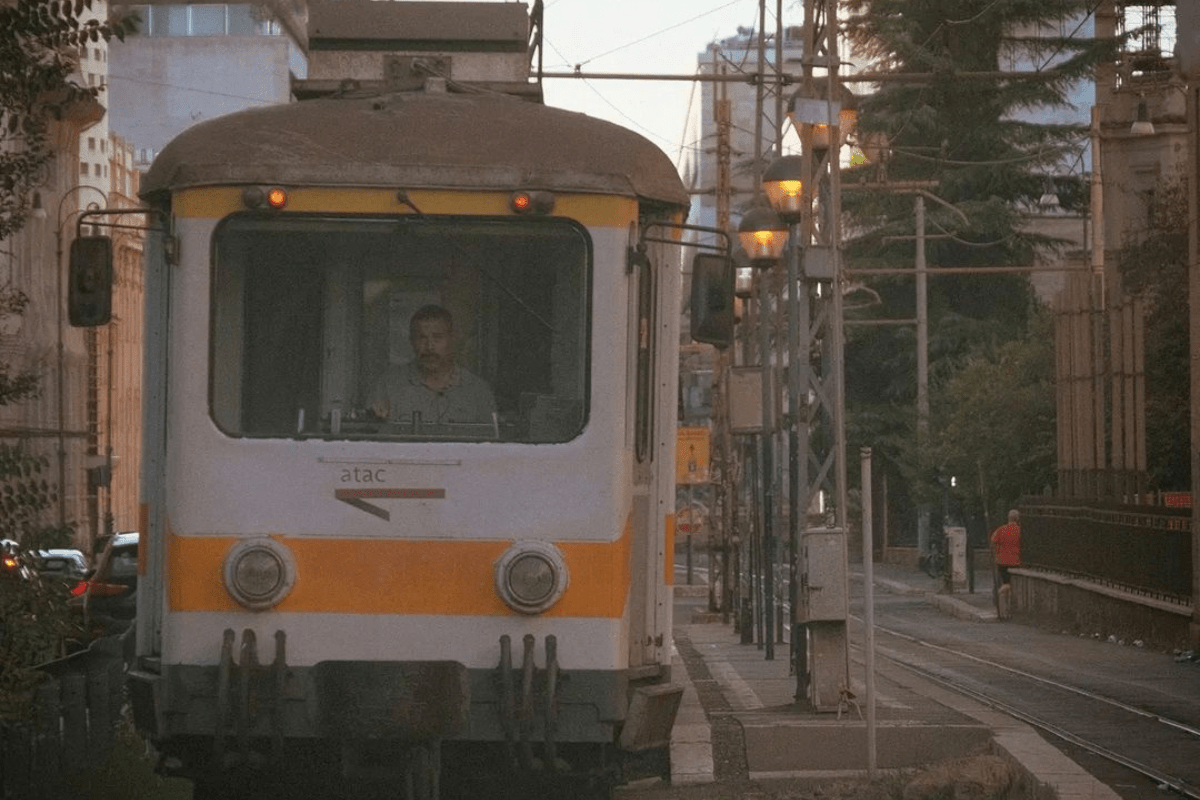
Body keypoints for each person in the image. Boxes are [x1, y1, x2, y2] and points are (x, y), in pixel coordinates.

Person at [368, 304, 496, 426]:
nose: (430, 347)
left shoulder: (477, 391)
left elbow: (492, 444)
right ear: (411, 341)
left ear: (452, 339)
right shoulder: (388, 386)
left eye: (437, 337)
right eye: (422, 338)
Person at [990, 508, 1021, 586]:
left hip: (1002, 561)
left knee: (1005, 583)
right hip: (1016, 561)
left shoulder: (1001, 530)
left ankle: (1002, 594)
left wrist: (996, 555)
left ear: (1008, 518)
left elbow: (993, 542)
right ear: (1018, 519)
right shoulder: (1020, 531)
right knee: (1015, 585)